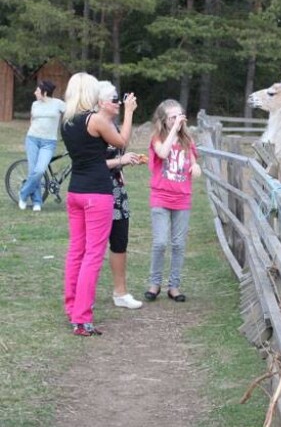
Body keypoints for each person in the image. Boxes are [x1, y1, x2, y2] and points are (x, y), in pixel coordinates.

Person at [60, 72, 134, 336]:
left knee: (76, 252)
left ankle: (72, 308)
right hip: (97, 194)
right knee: (93, 255)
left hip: (75, 193)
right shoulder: (96, 120)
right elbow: (122, 142)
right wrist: (129, 113)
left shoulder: (66, 121)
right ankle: (82, 318)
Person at [144, 99, 201, 303]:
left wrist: (195, 168)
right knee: (160, 242)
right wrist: (173, 132)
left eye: (180, 116)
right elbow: (163, 153)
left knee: (178, 244)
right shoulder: (157, 138)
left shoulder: (188, 141)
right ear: (164, 120)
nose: (178, 120)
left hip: (182, 199)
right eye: (173, 117)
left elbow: (194, 163)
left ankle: (174, 286)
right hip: (160, 196)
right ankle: (154, 283)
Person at [97, 81, 143, 310]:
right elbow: (92, 164)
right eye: (113, 99)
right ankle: (85, 293)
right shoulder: (94, 126)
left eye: (118, 99)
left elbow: (120, 146)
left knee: (119, 241)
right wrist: (119, 162)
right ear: (99, 103)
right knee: (93, 245)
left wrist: (120, 167)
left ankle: (120, 292)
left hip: (116, 190)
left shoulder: (112, 124)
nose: (118, 102)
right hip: (97, 190)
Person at [19, 80, 66, 211]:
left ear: (44, 92)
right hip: (32, 139)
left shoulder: (58, 104)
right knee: (33, 171)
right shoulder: (35, 104)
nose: (35, 93)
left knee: (39, 170)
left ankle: (23, 194)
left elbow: (70, 113)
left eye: (37, 91)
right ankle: (37, 202)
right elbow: (32, 120)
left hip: (48, 142)